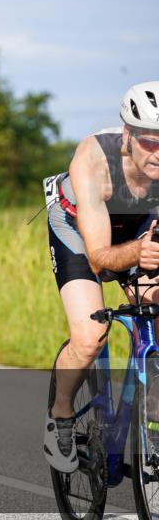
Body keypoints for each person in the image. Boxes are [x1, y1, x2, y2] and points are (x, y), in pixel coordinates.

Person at [43, 80, 159, 472]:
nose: (158, 153)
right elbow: (99, 259)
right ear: (127, 136)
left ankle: (152, 429)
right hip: (78, 229)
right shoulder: (93, 162)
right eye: (149, 141)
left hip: (138, 226)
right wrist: (137, 253)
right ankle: (60, 415)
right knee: (91, 336)